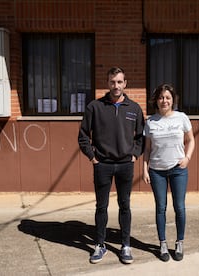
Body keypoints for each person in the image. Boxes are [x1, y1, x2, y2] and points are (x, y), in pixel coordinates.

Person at [78, 67, 144, 264]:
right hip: (103, 165)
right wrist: (93, 158)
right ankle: (100, 244)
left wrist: (134, 155)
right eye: (112, 82)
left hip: (125, 165)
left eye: (119, 82)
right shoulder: (95, 107)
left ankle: (125, 245)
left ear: (125, 83)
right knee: (102, 206)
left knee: (125, 205)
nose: (116, 86)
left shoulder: (134, 108)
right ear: (108, 83)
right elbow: (83, 136)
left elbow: (141, 137)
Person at [142, 83, 195, 262]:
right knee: (161, 208)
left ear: (173, 100)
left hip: (178, 170)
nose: (164, 101)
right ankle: (163, 244)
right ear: (156, 101)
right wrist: (145, 169)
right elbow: (147, 149)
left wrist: (187, 158)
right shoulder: (150, 121)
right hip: (157, 171)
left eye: (167, 97)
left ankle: (179, 242)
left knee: (179, 207)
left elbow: (191, 140)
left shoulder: (181, 118)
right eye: (161, 97)